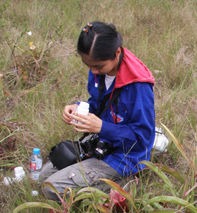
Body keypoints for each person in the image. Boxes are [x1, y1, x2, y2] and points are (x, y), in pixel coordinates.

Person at [40, 21, 155, 200]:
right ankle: (100, 183)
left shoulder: (138, 86)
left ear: (117, 53)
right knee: (42, 177)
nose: (93, 71)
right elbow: (98, 103)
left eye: (98, 67)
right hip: (102, 144)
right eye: (89, 66)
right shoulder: (100, 67)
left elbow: (143, 139)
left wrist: (102, 127)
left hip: (125, 158)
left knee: (51, 189)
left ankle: (127, 184)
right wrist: (77, 108)